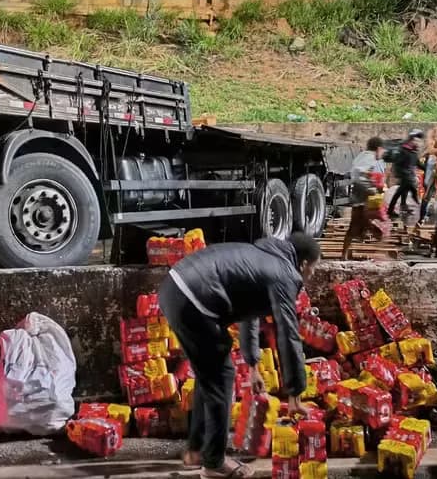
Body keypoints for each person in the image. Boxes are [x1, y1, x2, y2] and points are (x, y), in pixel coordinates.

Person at [159, 235, 320, 478]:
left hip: (175, 289)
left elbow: (249, 312)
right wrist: (295, 393)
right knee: (222, 376)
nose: (312, 275)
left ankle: (196, 451)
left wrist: (253, 364)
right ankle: (213, 463)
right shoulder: (285, 274)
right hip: (195, 297)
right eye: (314, 269)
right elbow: (289, 334)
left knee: (210, 375)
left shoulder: (264, 258)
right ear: (305, 264)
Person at [342, 137, 387, 260]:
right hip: (364, 201)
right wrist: (371, 189)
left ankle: (346, 254)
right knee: (366, 227)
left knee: (357, 228)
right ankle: (345, 255)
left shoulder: (363, 156)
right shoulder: (369, 158)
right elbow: (359, 177)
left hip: (363, 200)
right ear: (378, 149)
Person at [387, 129, 425, 220]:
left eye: (419, 140)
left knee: (402, 192)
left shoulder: (413, 151)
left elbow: (417, 163)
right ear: (411, 139)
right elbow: (399, 164)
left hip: (408, 176)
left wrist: (427, 169)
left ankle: (398, 207)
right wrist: (406, 173)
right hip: (405, 175)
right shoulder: (404, 150)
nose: (418, 142)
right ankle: (420, 209)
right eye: (416, 140)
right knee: (411, 191)